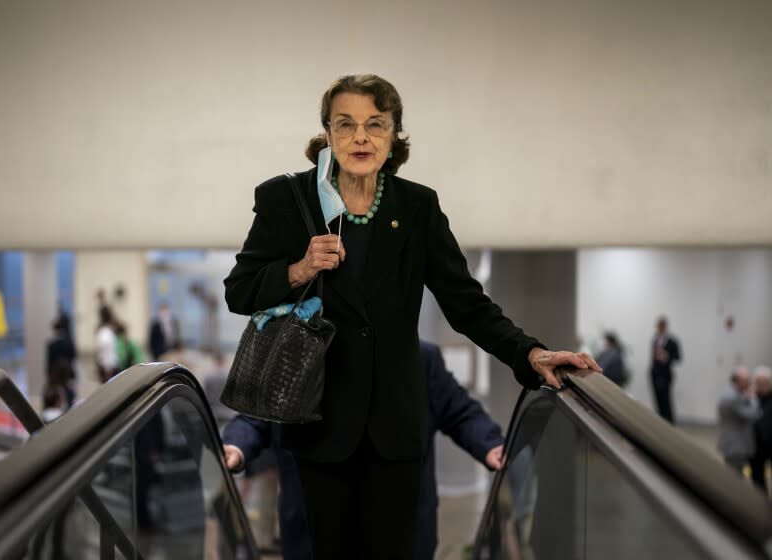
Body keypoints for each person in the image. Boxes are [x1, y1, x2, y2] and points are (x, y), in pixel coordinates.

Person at [223, 74, 600, 559]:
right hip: (318, 422)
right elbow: (239, 290)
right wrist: (298, 269)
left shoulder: (417, 207)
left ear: (394, 135)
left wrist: (528, 351)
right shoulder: (286, 200)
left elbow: (465, 302)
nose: (361, 137)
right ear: (328, 133)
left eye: (375, 125)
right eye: (347, 124)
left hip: (393, 432)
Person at [222, 341, 505, 560]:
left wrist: (491, 445)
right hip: (313, 536)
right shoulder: (294, 357)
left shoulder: (419, 358)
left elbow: (461, 413)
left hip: (401, 535)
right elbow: (255, 417)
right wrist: (235, 445)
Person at [717, 367, 760, 474]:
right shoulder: (732, 397)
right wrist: (753, 398)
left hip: (734, 443)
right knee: (735, 476)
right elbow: (752, 414)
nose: (750, 384)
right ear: (738, 381)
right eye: (747, 381)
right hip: (736, 445)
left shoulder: (733, 392)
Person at [650, 316, 681, 423]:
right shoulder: (655, 340)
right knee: (657, 399)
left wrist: (667, 357)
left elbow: (678, 357)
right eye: (659, 326)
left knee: (666, 400)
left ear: (666, 327)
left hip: (666, 375)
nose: (660, 328)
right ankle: (660, 421)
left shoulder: (672, 341)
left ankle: (670, 422)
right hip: (655, 374)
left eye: (662, 326)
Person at [750, 366, 772, 493]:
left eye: (764, 383)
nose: (761, 386)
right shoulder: (751, 398)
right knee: (757, 477)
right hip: (756, 445)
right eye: (758, 383)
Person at [46, 318, 77, 407]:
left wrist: (49, 374)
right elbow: (73, 356)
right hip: (67, 372)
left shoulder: (52, 344)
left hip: (56, 373)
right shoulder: (68, 342)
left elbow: (49, 361)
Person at [95, 306, 117, 382]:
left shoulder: (105, 331)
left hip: (109, 366)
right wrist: (108, 370)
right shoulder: (105, 333)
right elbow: (105, 352)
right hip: (108, 369)